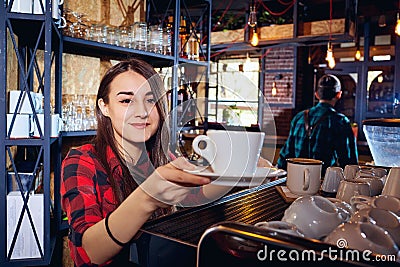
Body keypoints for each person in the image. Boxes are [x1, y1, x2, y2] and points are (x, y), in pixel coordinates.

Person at [61, 58, 213, 266]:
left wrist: (232, 175)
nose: (142, 112)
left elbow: (197, 197)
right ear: (104, 107)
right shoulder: (82, 161)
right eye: (126, 101)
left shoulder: (163, 158)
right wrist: (146, 199)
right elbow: (90, 252)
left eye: (150, 100)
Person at [277, 74, 358, 174]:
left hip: (295, 180)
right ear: (338, 94)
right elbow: (349, 162)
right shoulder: (340, 121)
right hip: (324, 183)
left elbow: (286, 155)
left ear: (317, 94)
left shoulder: (299, 118)